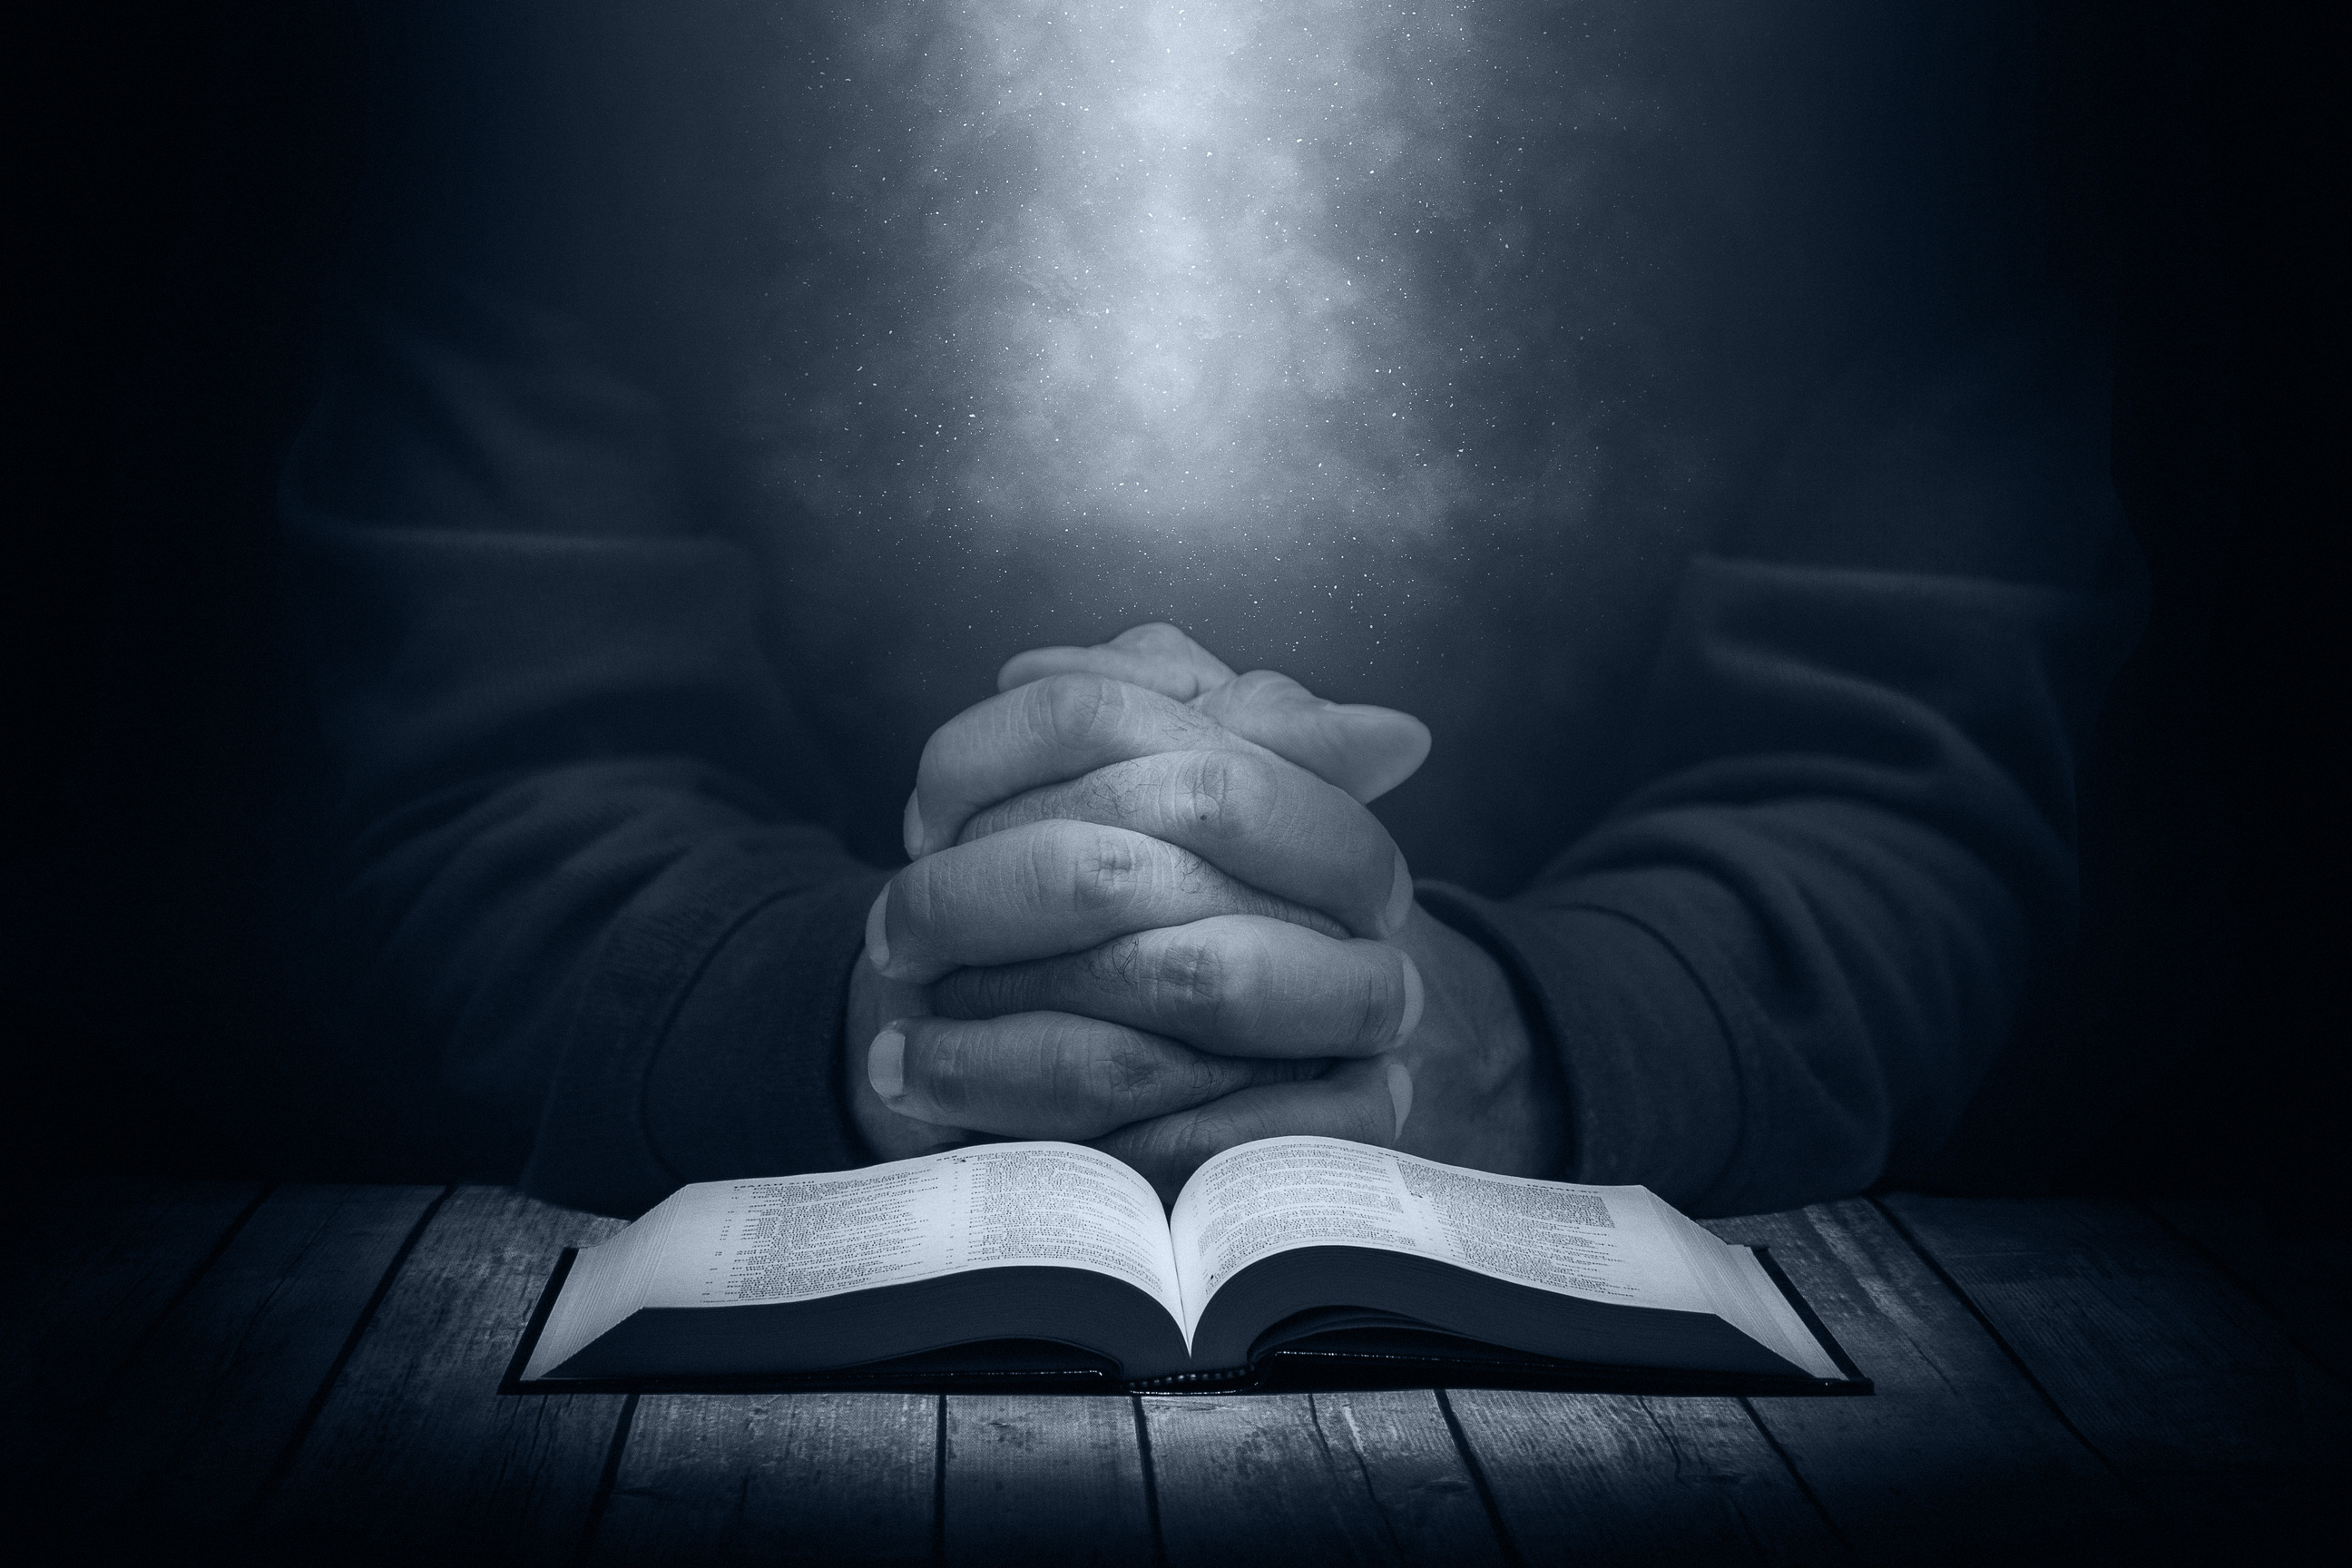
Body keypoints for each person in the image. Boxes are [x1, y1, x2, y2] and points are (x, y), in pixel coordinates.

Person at [279, 0, 2141, 1216]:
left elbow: (1925, 739)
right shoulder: (559, 78)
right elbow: (486, 748)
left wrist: (1511, 1040)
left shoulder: (1904, 91)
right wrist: (879, 1021)